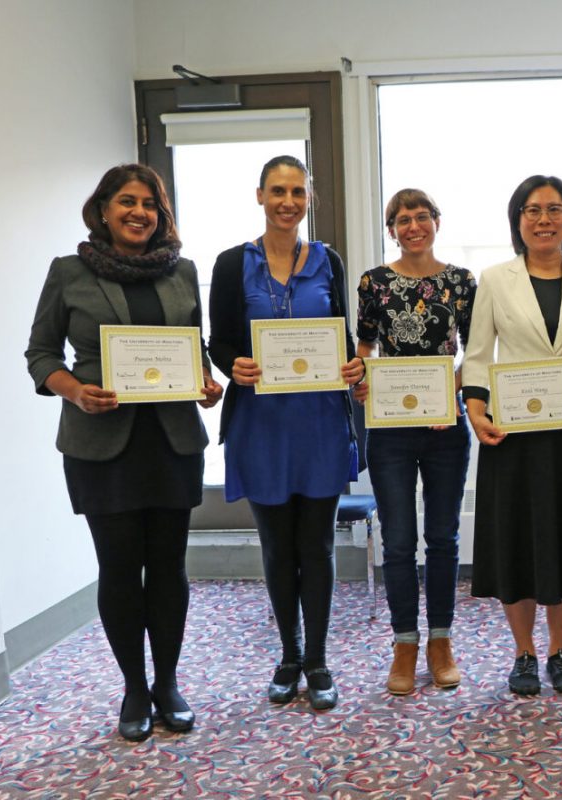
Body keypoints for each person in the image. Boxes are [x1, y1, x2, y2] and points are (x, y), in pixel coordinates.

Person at [26, 164, 223, 741]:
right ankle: (133, 689)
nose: (140, 213)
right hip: (100, 447)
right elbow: (40, 354)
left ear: (161, 215)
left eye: (151, 205)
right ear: (104, 209)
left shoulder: (183, 271)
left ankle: (167, 683)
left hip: (171, 442)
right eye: (128, 202)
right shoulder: (69, 272)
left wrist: (207, 385)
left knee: (168, 569)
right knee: (118, 568)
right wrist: (75, 390)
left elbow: (195, 350)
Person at [208, 155, 362, 711]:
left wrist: (354, 368)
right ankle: (288, 655)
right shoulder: (231, 264)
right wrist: (234, 366)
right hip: (261, 423)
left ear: (309, 198)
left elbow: (343, 339)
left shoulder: (329, 261)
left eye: (298, 191)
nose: (288, 201)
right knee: (276, 547)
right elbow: (218, 340)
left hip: (319, 421)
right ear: (260, 196)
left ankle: (318, 660)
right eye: (278, 190)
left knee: (317, 547)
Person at [461, 175, 562, 696]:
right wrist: (475, 412)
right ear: (517, 220)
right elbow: (478, 354)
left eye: (555, 209)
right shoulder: (495, 279)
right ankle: (524, 653)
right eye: (532, 210)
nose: (544, 219)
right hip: (513, 431)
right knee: (517, 541)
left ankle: (558, 650)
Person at [356, 189, 476, 695]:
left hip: (446, 424)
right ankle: (405, 643)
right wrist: (360, 376)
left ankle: (441, 642)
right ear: (392, 230)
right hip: (390, 428)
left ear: (437, 222)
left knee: (443, 538)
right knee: (400, 539)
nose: (413, 226)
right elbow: (364, 346)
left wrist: (453, 389)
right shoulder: (374, 283)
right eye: (402, 220)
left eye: (421, 217)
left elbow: (477, 349)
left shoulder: (462, 282)